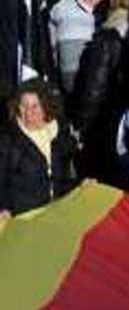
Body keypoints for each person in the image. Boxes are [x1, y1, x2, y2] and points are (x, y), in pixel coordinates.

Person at [0, 80, 75, 217]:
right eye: (24, 106)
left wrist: (81, 185)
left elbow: (63, 176)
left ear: (46, 107)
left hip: (56, 211)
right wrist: (3, 207)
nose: (28, 112)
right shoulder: (8, 138)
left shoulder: (58, 133)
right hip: (25, 217)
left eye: (35, 106)